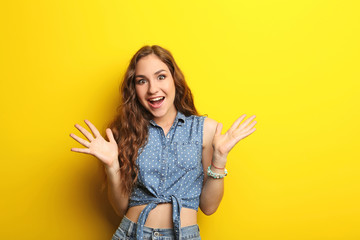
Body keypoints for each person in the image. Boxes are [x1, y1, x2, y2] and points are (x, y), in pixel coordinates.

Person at [70, 45, 257, 240]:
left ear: (174, 80)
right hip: (132, 233)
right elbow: (121, 208)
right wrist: (112, 166)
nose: (152, 89)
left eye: (161, 77)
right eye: (142, 81)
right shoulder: (126, 132)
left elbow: (209, 207)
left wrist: (219, 159)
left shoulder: (205, 130)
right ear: (134, 88)